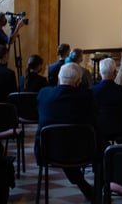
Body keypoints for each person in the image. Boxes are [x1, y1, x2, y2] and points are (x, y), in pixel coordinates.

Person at [36, 63, 98, 200]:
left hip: (48, 150)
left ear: (58, 77)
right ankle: (98, 191)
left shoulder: (44, 94)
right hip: (83, 151)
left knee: (64, 141)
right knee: (99, 142)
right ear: (79, 81)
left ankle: (87, 188)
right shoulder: (87, 97)